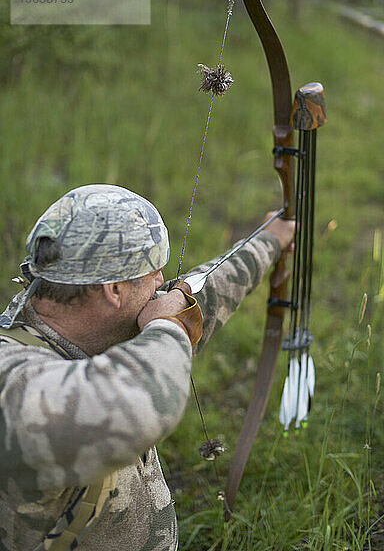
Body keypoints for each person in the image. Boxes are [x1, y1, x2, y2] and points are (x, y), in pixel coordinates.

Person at [0, 184, 294, 551]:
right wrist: (169, 326)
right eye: (153, 272)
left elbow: (200, 296)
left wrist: (267, 241)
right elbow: (139, 401)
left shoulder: (86, 321)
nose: (161, 284)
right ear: (114, 290)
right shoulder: (13, 381)